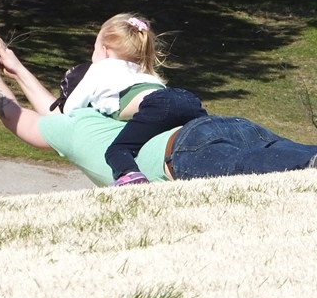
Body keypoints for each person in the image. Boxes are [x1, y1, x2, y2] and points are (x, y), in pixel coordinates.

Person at [0, 36, 317, 187]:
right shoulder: (107, 111)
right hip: (216, 124)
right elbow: (52, 106)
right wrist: (14, 65)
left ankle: (310, 167)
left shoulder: (73, 127)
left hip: (183, 152)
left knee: (258, 168)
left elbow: (18, 117)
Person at [58, 13, 207, 186]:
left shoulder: (99, 68)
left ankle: (130, 176)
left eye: (94, 49)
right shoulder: (144, 73)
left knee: (117, 150)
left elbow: (71, 108)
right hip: (188, 99)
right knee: (207, 134)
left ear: (105, 50)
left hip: (158, 105)